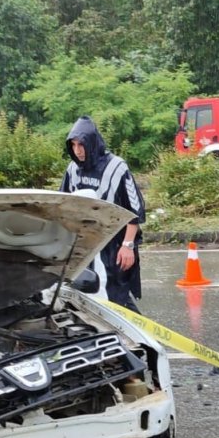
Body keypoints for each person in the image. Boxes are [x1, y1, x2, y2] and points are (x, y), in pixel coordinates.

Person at [60, 116, 145, 312]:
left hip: (114, 245)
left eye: (81, 144)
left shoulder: (116, 167)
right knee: (95, 296)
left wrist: (128, 245)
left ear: (92, 142)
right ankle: (137, 335)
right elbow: (64, 205)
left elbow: (134, 210)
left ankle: (141, 337)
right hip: (86, 246)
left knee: (116, 296)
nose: (77, 150)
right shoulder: (73, 170)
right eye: (73, 145)